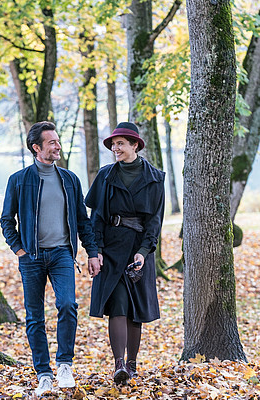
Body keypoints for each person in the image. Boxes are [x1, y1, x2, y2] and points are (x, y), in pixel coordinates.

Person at [0, 121, 100, 396]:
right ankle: (43, 373)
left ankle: (65, 365)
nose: (57, 146)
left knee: (68, 305)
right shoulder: (19, 180)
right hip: (30, 257)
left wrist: (91, 252)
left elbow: (82, 221)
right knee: (34, 317)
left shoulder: (69, 179)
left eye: (57, 141)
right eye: (52, 142)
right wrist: (19, 250)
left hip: (62, 255)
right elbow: (7, 221)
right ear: (37, 148)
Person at [85, 122, 165, 384]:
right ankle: (119, 364)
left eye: (120, 143)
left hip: (138, 250)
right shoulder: (106, 175)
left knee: (135, 309)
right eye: (113, 144)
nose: (115, 148)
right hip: (110, 249)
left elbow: (154, 221)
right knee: (117, 303)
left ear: (135, 145)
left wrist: (144, 251)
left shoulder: (154, 178)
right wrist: (94, 251)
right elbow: (96, 217)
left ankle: (132, 364)